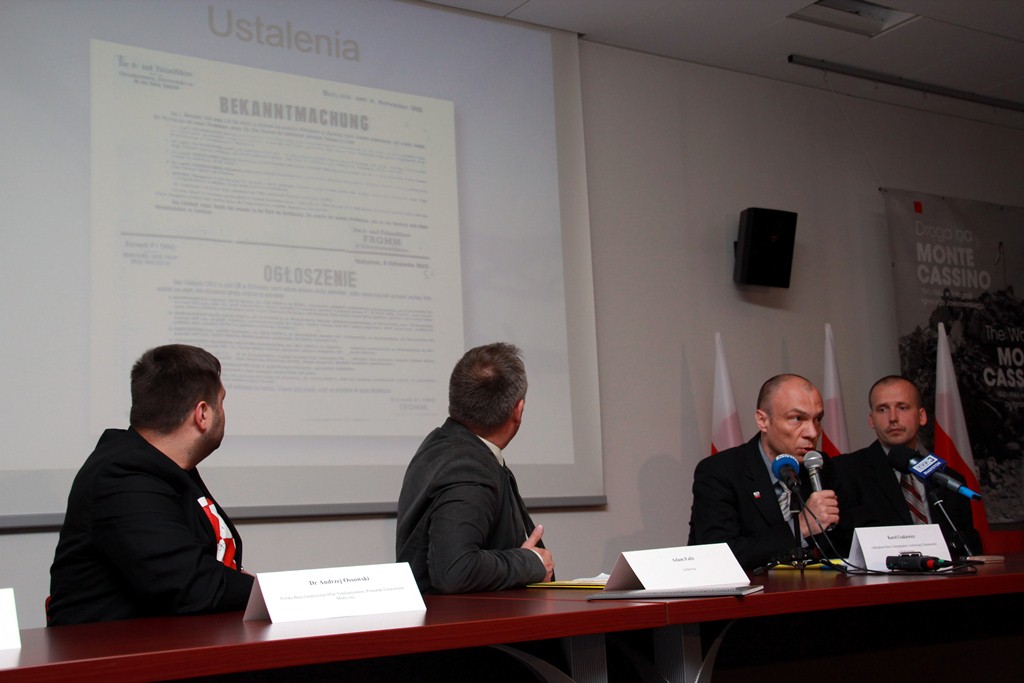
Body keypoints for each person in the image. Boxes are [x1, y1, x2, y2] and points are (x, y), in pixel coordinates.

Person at [47, 344, 254, 625]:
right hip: (115, 651)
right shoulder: (122, 475)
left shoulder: (170, 469)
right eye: (221, 402)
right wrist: (275, 593)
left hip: (181, 641)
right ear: (203, 413)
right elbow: (191, 586)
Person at [396, 342, 554, 593]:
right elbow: (455, 570)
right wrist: (529, 563)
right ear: (518, 410)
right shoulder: (468, 468)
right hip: (466, 618)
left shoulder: (439, 445)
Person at [688, 374, 841, 570]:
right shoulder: (721, 471)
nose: (812, 432)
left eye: (817, 419)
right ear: (762, 420)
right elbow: (718, 556)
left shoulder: (819, 467)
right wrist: (800, 527)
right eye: (797, 419)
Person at [833, 375, 981, 556]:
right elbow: (844, 543)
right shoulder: (846, 471)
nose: (893, 418)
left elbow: (968, 546)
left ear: (921, 416)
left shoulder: (948, 480)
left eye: (902, 407)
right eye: (882, 409)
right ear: (872, 420)